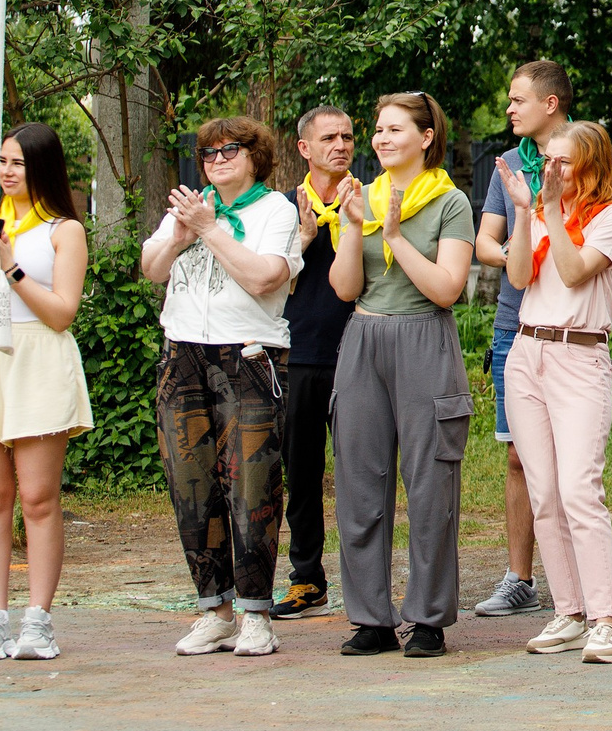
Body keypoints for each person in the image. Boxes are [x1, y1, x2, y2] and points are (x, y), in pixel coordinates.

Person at [141, 116, 303, 658]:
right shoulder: (192, 205)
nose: (217, 161)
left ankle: (257, 614)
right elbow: (151, 267)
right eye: (208, 154)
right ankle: (214, 608)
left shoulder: (275, 210)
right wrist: (182, 235)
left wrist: (210, 230)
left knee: (252, 487)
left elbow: (265, 279)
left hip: (249, 356)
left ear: (256, 156)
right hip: (183, 353)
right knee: (191, 484)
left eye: (230, 150)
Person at [329, 92, 477, 658]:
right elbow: (346, 289)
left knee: (431, 484)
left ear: (425, 137)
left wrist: (392, 237)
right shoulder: (360, 197)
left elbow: (446, 288)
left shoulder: (450, 202)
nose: (381, 139)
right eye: (378, 130)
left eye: (395, 130)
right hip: (364, 338)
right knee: (360, 484)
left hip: (423, 338)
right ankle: (370, 618)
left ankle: (428, 618)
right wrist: (351, 227)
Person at [0, 122, 93, 660]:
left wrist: (14, 266)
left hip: (39, 360)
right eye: (2, 162)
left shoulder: (63, 230)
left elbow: (62, 313)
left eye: (18, 163)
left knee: (37, 497)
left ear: (42, 168)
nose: (6, 172)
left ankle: (38, 621)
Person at [499, 120, 612, 665]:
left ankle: (606, 622)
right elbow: (516, 278)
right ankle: (568, 610)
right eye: (545, 162)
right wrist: (521, 212)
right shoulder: (539, 210)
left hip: (578, 354)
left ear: (590, 165)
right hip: (527, 352)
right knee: (544, 493)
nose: (549, 171)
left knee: (580, 489)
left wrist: (549, 211)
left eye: (562, 161)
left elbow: (575, 271)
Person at [471, 60, 601, 621]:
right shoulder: (508, 166)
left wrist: (547, 252)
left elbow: (600, 235)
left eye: (517, 98)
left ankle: (588, 597)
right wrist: (526, 254)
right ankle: (520, 578)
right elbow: (484, 244)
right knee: (521, 460)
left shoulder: (591, 154)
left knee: (575, 476)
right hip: (515, 324)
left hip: (574, 334)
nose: (509, 108)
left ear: (551, 104)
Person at [275, 107, 358, 619]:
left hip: (356, 352)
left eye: (348, 136)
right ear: (304, 148)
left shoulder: (368, 201)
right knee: (300, 475)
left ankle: (364, 582)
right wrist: (302, 239)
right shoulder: (282, 210)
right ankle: (307, 579)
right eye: (328, 138)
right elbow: (266, 284)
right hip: (297, 354)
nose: (341, 145)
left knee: (359, 475)